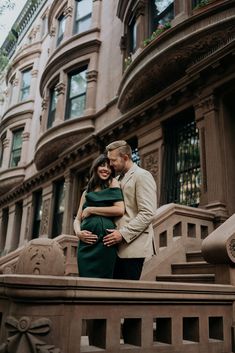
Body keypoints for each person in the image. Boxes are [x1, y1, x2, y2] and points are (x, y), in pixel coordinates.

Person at [103, 140, 157, 281]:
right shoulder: (116, 179)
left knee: (123, 296)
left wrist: (122, 234)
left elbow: (148, 213)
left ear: (125, 157)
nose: (110, 164)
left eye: (113, 160)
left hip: (132, 247)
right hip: (114, 248)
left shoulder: (142, 176)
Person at [73, 154, 125, 278]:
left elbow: (119, 210)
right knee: (85, 281)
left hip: (104, 243)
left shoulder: (113, 183)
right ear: (96, 167)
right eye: (102, 165)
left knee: (103, 282)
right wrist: (78, 233)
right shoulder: (87, 192)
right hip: (86, 245)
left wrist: (92, 209)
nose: (106, 169)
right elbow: (77, 219)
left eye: (109, 167)